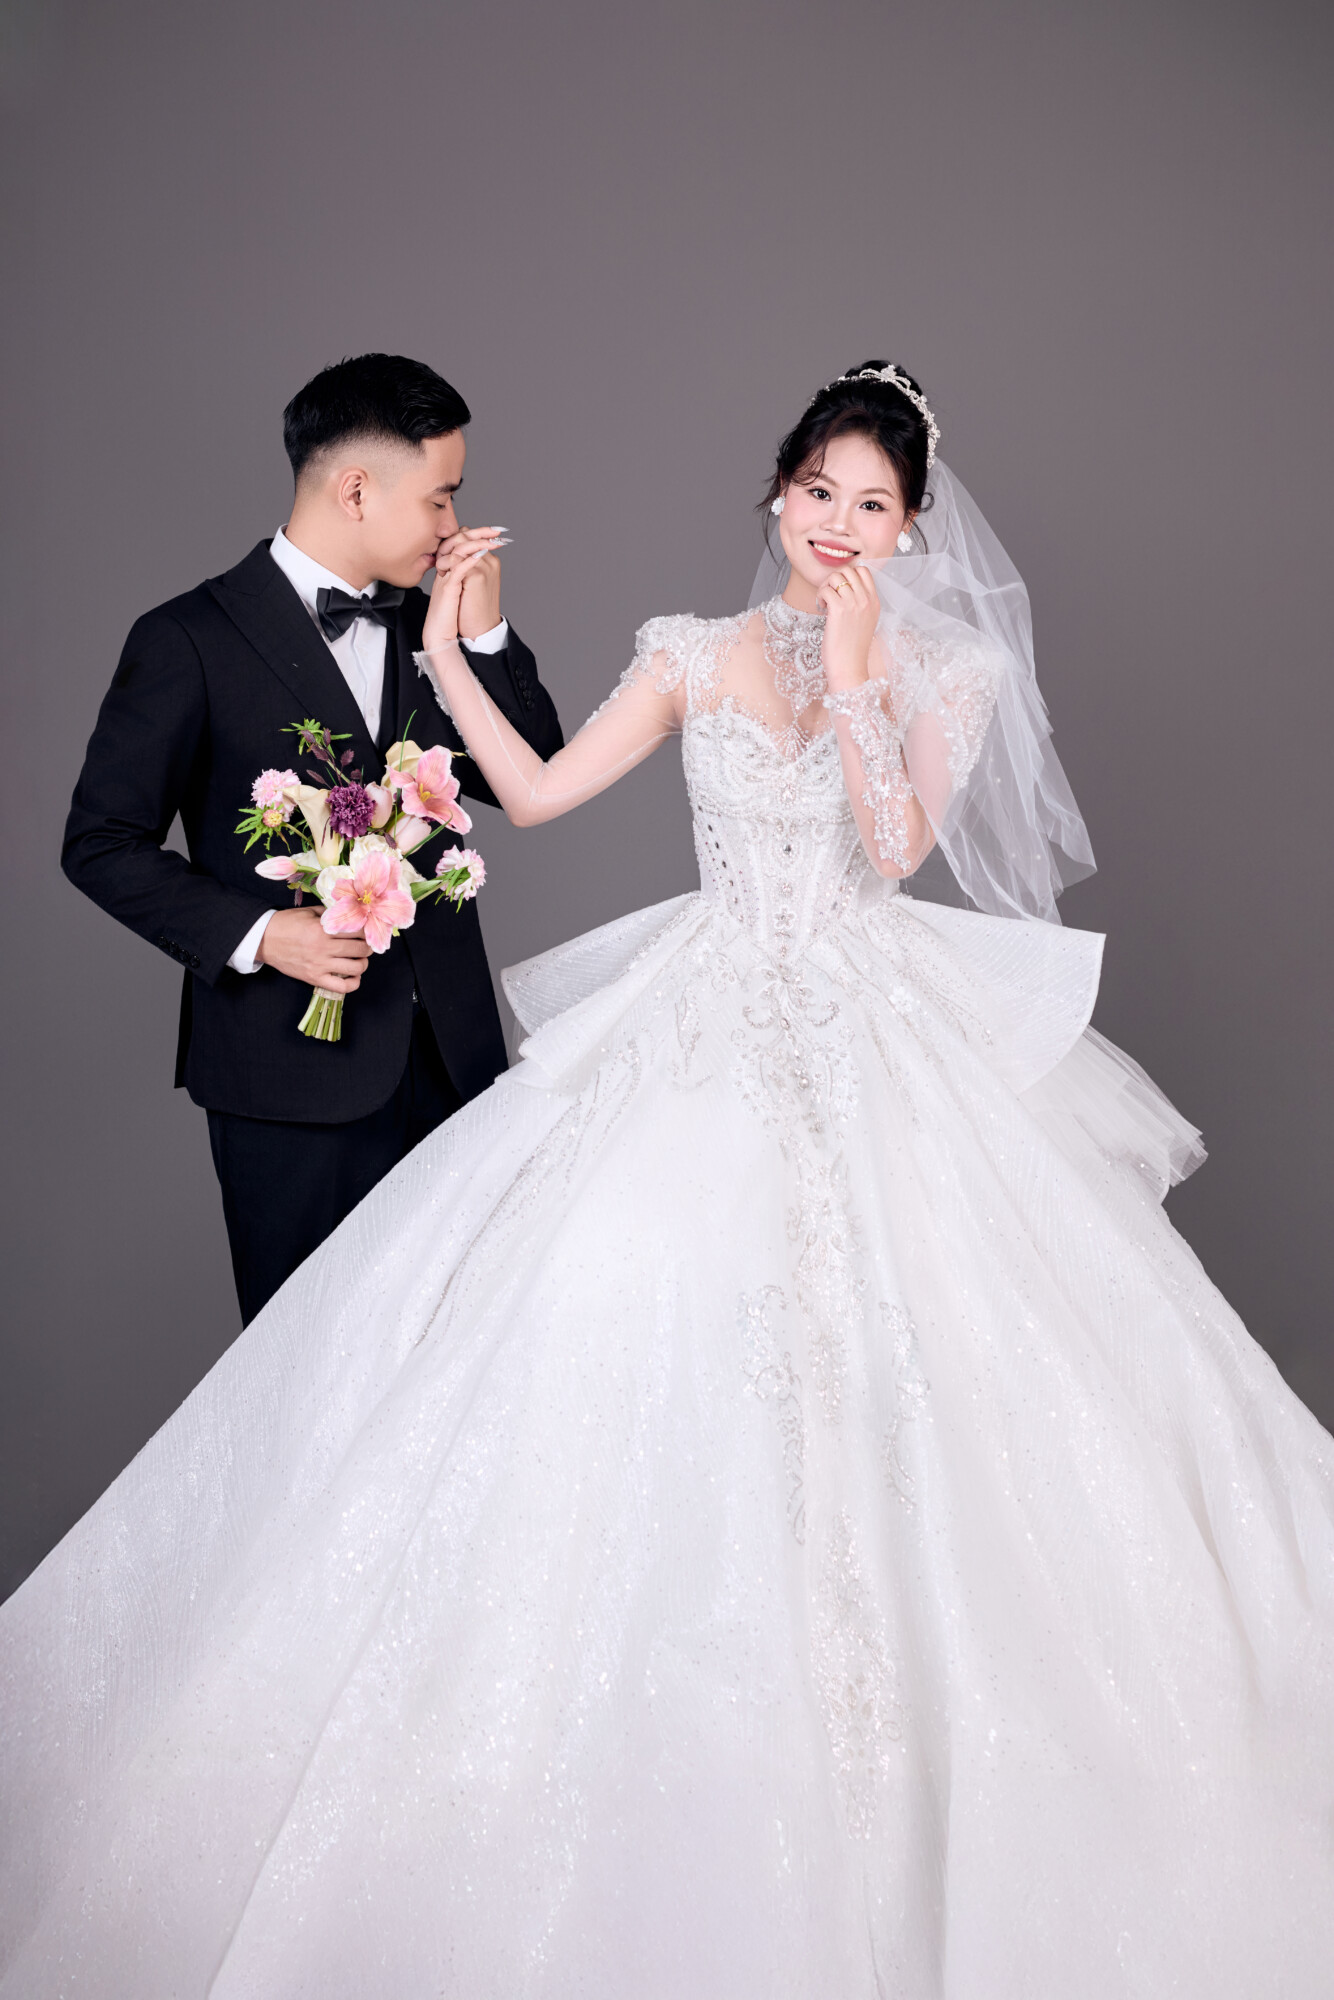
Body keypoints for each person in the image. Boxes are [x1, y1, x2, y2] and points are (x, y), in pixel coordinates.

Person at [4, 363, 1332, 1997]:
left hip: (872, 1031)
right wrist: (447, 657)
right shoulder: (690, 653)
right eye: (816, 491)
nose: (836, 525)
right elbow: (537, 792)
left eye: (871, 506)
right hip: (695, 1029)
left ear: (910, 530)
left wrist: (860, 678)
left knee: (952, 1369)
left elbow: (894, 847)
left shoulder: (952, 663)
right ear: (775, 491)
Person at [60, 352, 563, 1324]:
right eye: (441, 497)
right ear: (357, 489)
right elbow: (101, 842)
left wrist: (484, 637)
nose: (453, 525)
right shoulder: (187, 639)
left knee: (459, 1360)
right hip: (286, 1079)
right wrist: (261, 935)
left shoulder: (433, 623)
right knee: (305, 1366)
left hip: (453, 1060)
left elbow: (531, 770)